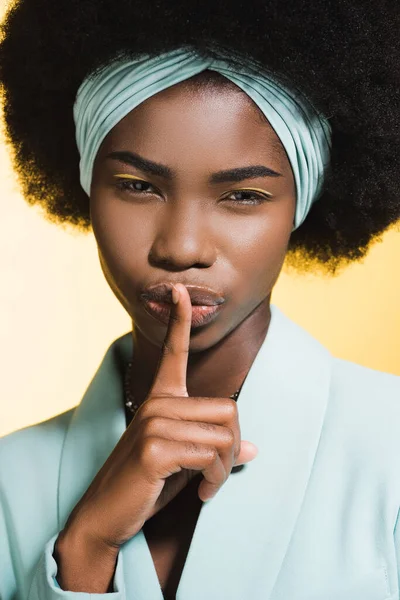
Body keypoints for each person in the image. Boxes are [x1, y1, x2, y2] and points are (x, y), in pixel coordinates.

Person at [0, 1, 400, 599]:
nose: (181, 247)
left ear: (305, 203)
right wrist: (85, 549)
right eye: (137, 186)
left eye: (242, 195)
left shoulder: (389, 447)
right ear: (84, 185)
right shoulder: (10, 480)